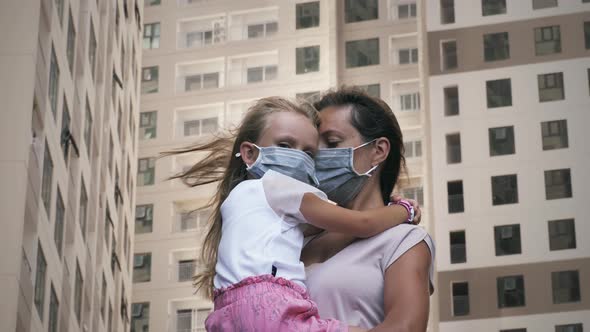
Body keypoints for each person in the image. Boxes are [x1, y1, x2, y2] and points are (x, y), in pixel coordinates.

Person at [164, 97, 419, 332]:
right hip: (270, 309)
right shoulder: (280, 188)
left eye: (310, 153)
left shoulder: (244, 200)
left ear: (379, 150)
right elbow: (362, 223)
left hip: (226, 312)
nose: (301, 159)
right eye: (285, 145)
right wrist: (402, 210)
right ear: (250, 152)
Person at [301, 87, 436, 331]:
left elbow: (406, 328)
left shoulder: (404, 240)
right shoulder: (297, 237)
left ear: (378, 151)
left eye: (332, 143)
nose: (318, 157)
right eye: (312, 149)